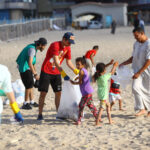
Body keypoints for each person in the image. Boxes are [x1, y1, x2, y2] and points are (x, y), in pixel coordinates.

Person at [37, 32, 79, 120]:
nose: (70, 44)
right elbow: (56, 61)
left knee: (58, 93)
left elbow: (68, 62)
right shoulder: (55, 45)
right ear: (64, 39)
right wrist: (64, 74)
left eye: (71, 42)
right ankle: (40, 114)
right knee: (43, 93)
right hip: (46, 71)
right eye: (69, 42)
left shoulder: (68, 48)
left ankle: (58, 114)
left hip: (56, 73)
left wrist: (77, 71)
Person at [119, 27, 150, 117]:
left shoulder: (149, 44)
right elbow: (133, 57)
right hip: (137, 71)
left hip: (147, 72)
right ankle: (142, 108)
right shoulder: (136, 44)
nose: (135, 38)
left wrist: (139, 72)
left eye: (137, 36)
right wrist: (124, 63)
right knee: (135, 88)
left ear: (142, 33)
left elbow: (149, 61)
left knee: (148, 91)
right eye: (134, 36)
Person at [16, 38, 47, 110]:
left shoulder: (33, 47)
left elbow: (32, 63)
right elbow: (30, 63)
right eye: (44, 46)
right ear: (40, 45)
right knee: (28, 85)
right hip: (24, 68)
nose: (44, 48)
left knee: (31, 84)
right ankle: (25, 103)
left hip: (27, 67)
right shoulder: (32, 50)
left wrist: (35, 73)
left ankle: (32, 102)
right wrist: (35, 75)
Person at [70, 57, 98, 125]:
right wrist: (77, 77)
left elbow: (80, 82)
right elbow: (82, 77)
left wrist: (73, 83)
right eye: (76, 64)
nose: (77, 66)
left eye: (78, 64)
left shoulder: (81, 71)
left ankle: (79, 121)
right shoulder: (84, 70)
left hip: (86, 93)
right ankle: (97, 117)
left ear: (83, 65)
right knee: (91, 106)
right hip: (88, 91)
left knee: (81, 106)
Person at [93, 61, 118, 126]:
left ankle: (110, 120)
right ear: (103, 70)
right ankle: (97, 122)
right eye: (105, 69)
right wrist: (114, 66)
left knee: (108, 106)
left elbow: (102, 70)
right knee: (101, 109)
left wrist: (109, 64)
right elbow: (112, 72)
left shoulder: (98, 76)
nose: (106, 70)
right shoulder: (104, 77)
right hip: (104, 95)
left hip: (101, 94)